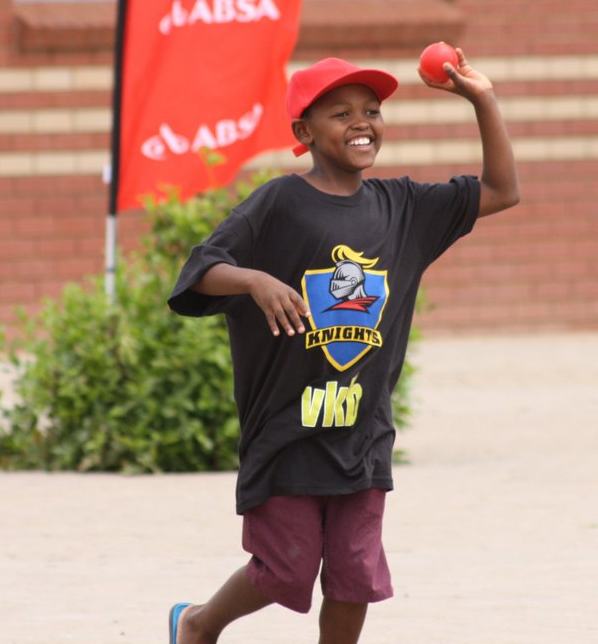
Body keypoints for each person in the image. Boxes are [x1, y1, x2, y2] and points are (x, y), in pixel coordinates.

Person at [166, 47, 520, 643]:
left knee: (355, 578)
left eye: (371, 110)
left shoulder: (405, 208)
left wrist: (482, 99)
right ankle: (198, 624)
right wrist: (253, 281)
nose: (362, 122)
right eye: (341, 113)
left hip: (362, 433)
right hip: (287, 431)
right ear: (303, 132)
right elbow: (200, 271)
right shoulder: (279, 202)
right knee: (285, 571)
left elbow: (502, 190)